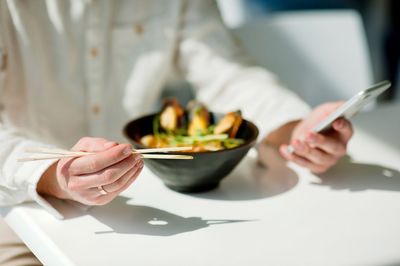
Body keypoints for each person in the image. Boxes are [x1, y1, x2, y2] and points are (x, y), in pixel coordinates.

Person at [0, 0, 352, 265]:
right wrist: (51, 177)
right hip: (19, 219)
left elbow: (226, 71)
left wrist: (298, 130)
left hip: (153, 215)